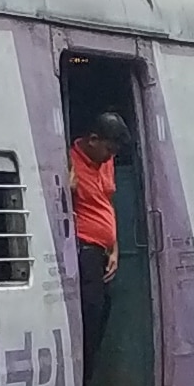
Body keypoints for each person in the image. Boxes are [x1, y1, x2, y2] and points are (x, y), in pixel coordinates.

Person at [69, 114, 123, 371]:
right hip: (85, 249)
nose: (109, 156)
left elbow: (107, 204)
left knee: (101, 318)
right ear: (92, 140)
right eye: (108, 149)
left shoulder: (106, 162)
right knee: (88, 324)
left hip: (102, 252)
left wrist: (115, 248)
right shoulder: (69, 161)